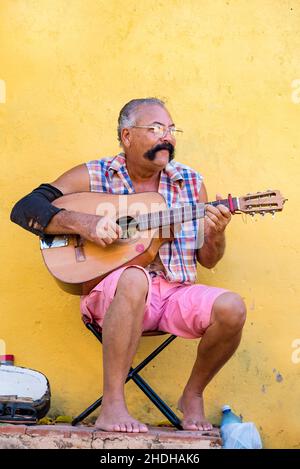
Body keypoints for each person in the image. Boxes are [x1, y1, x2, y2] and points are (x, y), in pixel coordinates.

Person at [10, 97, 247, 433]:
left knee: (232, 308)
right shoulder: (94, 175)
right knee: (135, 277)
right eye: (156, 129)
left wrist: (217, 234)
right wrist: (84, 223)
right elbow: (25, 208)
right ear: (127, 136)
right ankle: (113, 404)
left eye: (171, 130)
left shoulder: (191, 183)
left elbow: (208, 260)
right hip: (111, 293)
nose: (168, 136)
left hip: (174, 293)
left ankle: (192, 395)